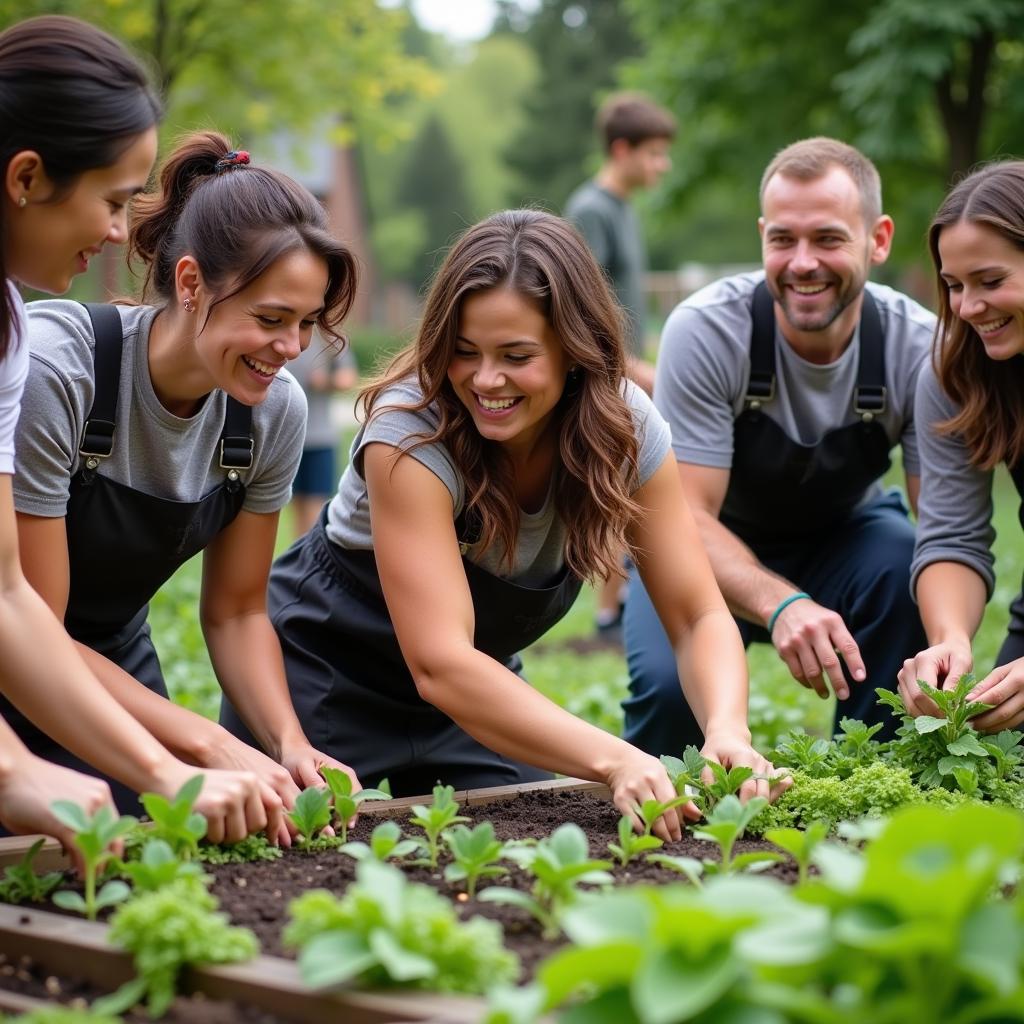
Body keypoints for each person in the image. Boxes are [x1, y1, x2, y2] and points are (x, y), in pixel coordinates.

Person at [232, 209, 783, 840]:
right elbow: (439, 662)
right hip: (323, 674)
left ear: (577, 351)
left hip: (475, 697)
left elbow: (696, 616)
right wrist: (615, 758)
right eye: (464, 353)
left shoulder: (625, 430)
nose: (486, 380)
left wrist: (727, 731)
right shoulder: (408, 435)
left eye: (516, 356)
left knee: (538, 842)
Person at [9, 127, 362, 816]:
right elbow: (35, 626)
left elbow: (235, 612)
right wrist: (202, 743)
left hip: (118, 667)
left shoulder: (270, 413)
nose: (289, 348)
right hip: (24, 657)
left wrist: (288, 744)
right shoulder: (64, 372)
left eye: (307, 323)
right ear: (192, 282)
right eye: (269, 318)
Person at [0, 15, 284, 849]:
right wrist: (15, 768)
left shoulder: (8, 330)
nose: (125, 232)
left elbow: (8, 598)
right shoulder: (59, 356)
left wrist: (164, 771)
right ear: (25, 177)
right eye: (114, 200)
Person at [623, 137, 934, 757]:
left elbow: (941, 525)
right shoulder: (707, 329)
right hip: (705, 541)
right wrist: (782, 601)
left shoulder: (920, 347)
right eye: (783, 239)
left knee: (904, 567)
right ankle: (666, 825)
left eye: (827, 238)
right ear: (762, 235)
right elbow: (685, 515)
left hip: (844, 538)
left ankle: (872, 791)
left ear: (878, 240)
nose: (802, 262)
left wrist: (945, 643)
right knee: (666, 691)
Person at [899, 160, 1024, 732]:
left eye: (991, 282)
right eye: (953, 285)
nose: (967, 308)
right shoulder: (956, 373)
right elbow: (953, 531)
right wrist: (948, 639)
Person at [565, 93, 675, 642]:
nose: (663, 165)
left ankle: (616, 610)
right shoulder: (590, 210)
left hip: (627, 368)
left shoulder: (624, 209)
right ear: (622, 148)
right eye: (654, 153)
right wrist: (628, 367)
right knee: (609, 491)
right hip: (601, 375)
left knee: (625, 486)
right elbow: (576, 305)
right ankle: (609, 617)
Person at [288, 333, 358, 538]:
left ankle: (306, 563)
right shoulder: (285, 334)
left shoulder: (330, 338)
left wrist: (325, 381)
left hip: (319, 440)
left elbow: (348, 378)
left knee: (314, 510)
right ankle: (299, 563)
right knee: (297, 510)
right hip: (288, 441)